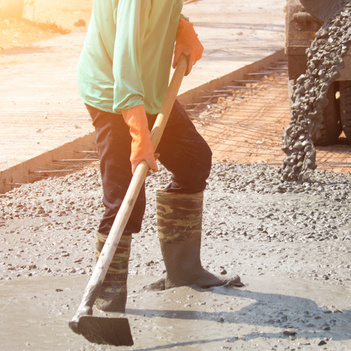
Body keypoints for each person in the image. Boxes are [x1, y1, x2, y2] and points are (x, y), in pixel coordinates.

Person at [69, 0, 240, 334]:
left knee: (194, 160)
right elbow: (124, 64)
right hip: (113, 92)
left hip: (147, 87)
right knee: (125, 197)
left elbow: (159, 13)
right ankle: (106, 302)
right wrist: (139, 135)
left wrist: (182, 25)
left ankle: (184, 271)